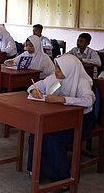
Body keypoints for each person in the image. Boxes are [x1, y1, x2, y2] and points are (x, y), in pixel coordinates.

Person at [27, 54, 95, 182]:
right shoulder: (53, 78)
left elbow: (88, 101)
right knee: (36, 131)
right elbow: (33, 86)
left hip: (81, 122)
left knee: (49, 135)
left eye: (59, 68)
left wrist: (63, 99)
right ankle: (36, 169)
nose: (56, 71)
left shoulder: (82, 82)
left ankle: (61, 178)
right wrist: (33, 91)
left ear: (69, 69)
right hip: (60, 119)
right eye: (56, 67)